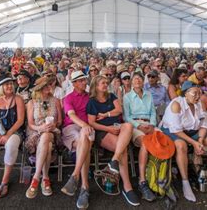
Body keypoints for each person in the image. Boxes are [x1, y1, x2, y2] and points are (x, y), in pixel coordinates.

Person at [160, 81, 207, 202]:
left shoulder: (200, 103)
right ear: (185, 93)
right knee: (181, 145)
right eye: (195, 93)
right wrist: (194, 144)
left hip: (192, 131)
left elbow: (204, 124)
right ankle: (185, 182)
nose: (198, 96)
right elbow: (176, 130)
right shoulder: (177, 104)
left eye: (199, 93)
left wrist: (200, 140)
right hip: (172, 131)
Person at [87, 75, 139, 206]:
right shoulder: (92, 101)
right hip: (103, 131)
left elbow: (119, 110)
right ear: (96, 86)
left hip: (117, 127)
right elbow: (92, 123)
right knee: (123, 149)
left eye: (106, 82)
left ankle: (114, 161)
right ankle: (127, 187)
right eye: (102, 83)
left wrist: (106, 114)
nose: (105, 85)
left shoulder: (111, 96)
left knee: (128, 125)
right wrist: (108, 128)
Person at [25, 76, 62, 199]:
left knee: (47, 136)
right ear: (39, 89)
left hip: (53, 131)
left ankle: (36, 177)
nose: (49, 87)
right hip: (35, 132)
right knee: (47, 143)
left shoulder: (56, 100)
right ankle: (45, 177)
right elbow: (30, 124)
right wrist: (40, 128)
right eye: (45, 86)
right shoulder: (31, 102)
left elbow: (60, 121)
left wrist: (54, 125)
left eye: (49, 85)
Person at [60, 71, 94, 209]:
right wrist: (85, 125)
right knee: (84, 139)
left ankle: (75, 176)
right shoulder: (68, 98)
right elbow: (72, 115)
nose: (84, 82)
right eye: (80, 81)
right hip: (72, 127)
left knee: (83, 139)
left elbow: (94, 114)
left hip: (88, 128)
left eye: (84, 80)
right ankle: (84, 187)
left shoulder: (90, 97)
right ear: (73, 84)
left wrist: (88, 126)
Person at [122, 72, 157, 202]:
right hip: (135, 126)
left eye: (139, 79)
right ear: (131, 82)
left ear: (143, 81)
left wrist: (152, 125)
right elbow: (127, 117)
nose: (137, 81)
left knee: (164, 141)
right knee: (146, 142)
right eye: (135, 79)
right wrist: (139, 126)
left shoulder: (149, 95)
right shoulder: (127, 97)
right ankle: (142, 180)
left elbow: (153, 112)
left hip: (149, 124)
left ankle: (159, 176)